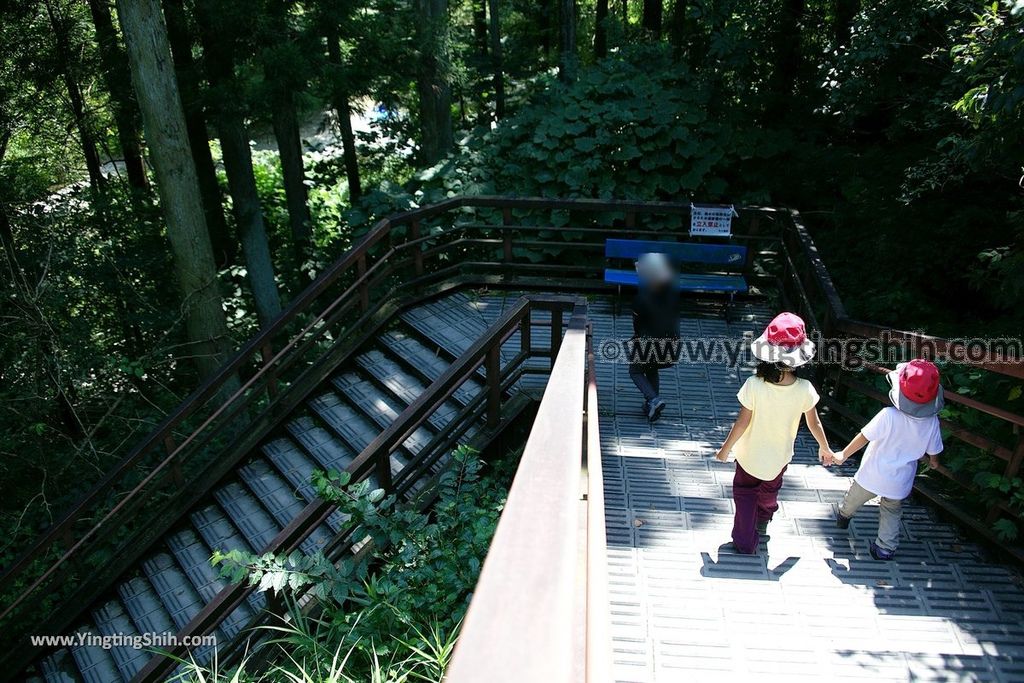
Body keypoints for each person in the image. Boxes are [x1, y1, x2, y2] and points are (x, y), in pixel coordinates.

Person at [714, 312, 833, 554]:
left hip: (749, 457)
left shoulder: (754, 385)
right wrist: (825, 448)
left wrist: (725, 449)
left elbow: (741, 423)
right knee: (770, 489)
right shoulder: (805, 389)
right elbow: (814, 424)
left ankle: (745, 540)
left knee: (745, 494)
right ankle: (765, 515)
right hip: (779, 457)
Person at [827, 359, 944, 561]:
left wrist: (843, 455)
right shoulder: (932, 422)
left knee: (853, 498)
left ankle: (844, 516)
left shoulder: (888, 415)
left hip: (873, 473)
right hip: (900, 480)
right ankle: (885, 548)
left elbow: (864, 436)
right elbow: (934, 453)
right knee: (891, 510)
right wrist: (934, 462)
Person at [629, 253, 679, 422]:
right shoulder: (672, 294)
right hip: (671, 342)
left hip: (649, 343)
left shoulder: (641, 298)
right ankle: (652, 406)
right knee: (651, 367)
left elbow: (638, 325)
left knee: (635, 371)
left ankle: (654, 399)